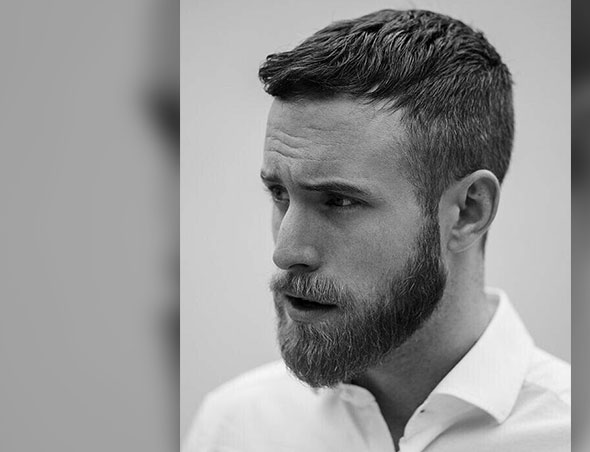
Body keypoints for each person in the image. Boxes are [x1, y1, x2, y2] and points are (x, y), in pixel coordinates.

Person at [184, 9, 569, 452]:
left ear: (468, 212)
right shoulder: (237, 427)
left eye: (339, 201)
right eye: (279, 193)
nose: (286, 252)